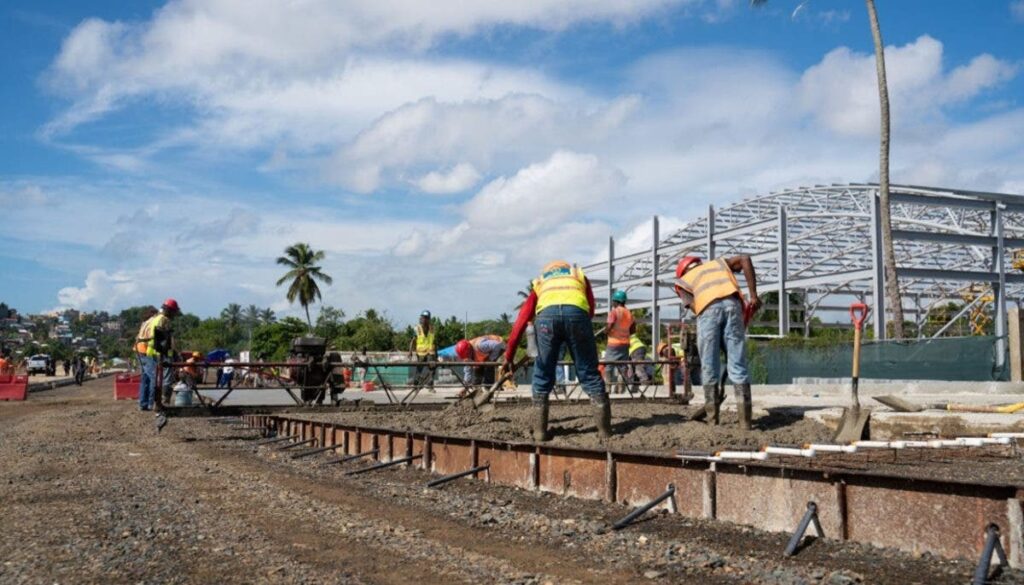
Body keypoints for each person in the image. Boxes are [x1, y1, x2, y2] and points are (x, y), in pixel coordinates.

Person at [504, 260, 610, 441]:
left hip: (546, 320)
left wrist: (509, 355)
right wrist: (575, 326)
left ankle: (540, 433)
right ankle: (605, 432)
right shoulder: (578, 275)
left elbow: (521, 320)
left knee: (543, 373)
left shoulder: (541, 282)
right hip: (578, 316)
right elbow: (591, 309)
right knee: (589, 372)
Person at [673, 255, 761, 429]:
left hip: (707, 310)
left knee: (709, 366)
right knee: (738, 365)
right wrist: (753, 296)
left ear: (683, 271)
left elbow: (693, 306)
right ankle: (746, 424)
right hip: (734, 305)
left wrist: (712, 324)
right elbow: (745, 259)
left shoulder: (682, 282)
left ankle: (713, 422)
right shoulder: (718, 264)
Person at [134, 299, 182, 412]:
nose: (174, 315)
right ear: (169, 311)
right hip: (153, 351)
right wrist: (175, 353)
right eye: (174, 312)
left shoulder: (153, 318)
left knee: (146, 378)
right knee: (157, 378)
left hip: (145, 350)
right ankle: (155, 403)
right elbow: (167, 339)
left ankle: (144, 404)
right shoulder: (163, 320)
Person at [600, 290, 634, 393]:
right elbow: (633, 329)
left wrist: (606, 331)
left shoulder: (614, 312)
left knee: (609, 366)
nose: (612, 303)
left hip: (613, 344)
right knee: (622, 367)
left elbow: (610, 325)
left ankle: (608, 388)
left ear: (616, 301)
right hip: (625, 344)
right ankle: (621, 389)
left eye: (613, 301)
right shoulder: (629, 313)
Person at [408, 310, 436, 392]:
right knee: (419, 369)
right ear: (421, 318)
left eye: (427, 318)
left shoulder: (432, 329)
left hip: (430, 352)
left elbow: (434, 342)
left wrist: (436, 355)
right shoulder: (417, 328)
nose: (425, 319)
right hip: (420, 353)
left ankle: (430, 386)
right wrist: (410, 352)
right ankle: (415, 386)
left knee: (432, 368)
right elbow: (413, 340)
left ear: (429, 319)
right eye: (424, 318)